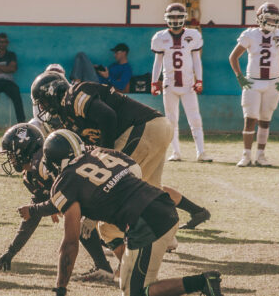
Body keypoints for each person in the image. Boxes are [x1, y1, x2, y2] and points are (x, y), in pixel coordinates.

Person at [19, 129, 223, 296]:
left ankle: (203, 282)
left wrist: (60, 288)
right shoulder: (98, 153)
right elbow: (134, 168)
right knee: (127, 287)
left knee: (139, 293)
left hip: (146, 221)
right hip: (158, 206)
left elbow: (70, 243)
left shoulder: (65, 182)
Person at [31, 73, 212, 230]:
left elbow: (107, 116)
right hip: (154, 128)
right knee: (150, 189)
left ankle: (116, 237)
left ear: (53, 91)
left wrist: (106, 153)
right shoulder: (67, 115)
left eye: (44, 102)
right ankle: (176, 231)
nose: (44, 108)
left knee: (119, 188)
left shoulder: (74, 95)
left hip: (142, 129)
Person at [0, 123, 116, 284]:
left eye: (12, 154)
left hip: (109, 181)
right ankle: (104, 267)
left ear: (23, 150)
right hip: (101, 183)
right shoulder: (33, 173)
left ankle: (115, 268)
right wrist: (10, 252)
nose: (10, 159)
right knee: (77, 216)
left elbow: (41, 209)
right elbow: (33, 216)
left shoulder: (43, 165)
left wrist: (42, 208)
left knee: (82, 219)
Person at [229, 2, 279, 167]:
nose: (272, 22)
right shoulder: (250, 34)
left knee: (266, 120)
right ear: (260, 18)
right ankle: (246, 155)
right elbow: (233, 57)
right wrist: (239, 76)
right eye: (268, 18)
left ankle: (260, 155)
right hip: (253, 82)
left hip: (273, 83)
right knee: (250, 119)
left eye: (275, 19)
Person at [151, 3, 212, 162]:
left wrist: (199, 79)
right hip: (169, 84)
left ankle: (201, 152)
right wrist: (154, 81)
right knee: (171, 120)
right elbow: (157, 62)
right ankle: (176, 152)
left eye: (179, 16)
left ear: (184, 18)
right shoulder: (160, 37)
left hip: (188, 84)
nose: (176, 20)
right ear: (166, 18)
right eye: (172, 17)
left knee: (195, 118)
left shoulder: (193, 35)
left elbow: (196, 59)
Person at [0, 33, 25, 126]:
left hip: (8, 82)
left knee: (16, 93)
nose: (1, 44)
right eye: (0, 42)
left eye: (4, 42)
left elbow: (12, 69)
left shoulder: (11, 55)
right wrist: (5, 67)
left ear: (7, 43)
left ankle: (22, 123)